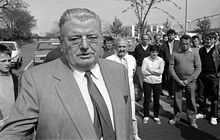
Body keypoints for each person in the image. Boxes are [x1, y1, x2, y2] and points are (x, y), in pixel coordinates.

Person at [0, 8, 132, 140]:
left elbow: (126, 127)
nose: (85, 45)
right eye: (75, 39)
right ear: (62, 43)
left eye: (92, 37)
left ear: (101, 39)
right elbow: (14, 133)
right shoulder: (35, 79)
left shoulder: (119, 71)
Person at [106, 38, 141, 140]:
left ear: (127, 47)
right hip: (115, 92)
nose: (122, 49)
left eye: (124, 47)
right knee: (117, 115)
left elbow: (132, 74)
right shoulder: (109, 60)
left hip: (129, 91)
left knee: (132, 115)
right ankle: (118, 135)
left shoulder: (132, 59)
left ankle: (135, 135)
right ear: (115, 47)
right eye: (119, 46)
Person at [168, 35, 201, 128]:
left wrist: (188, 80)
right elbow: (171, 68)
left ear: (190, 43)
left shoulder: (195, 53)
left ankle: (192, 119)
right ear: (180, 43)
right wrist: (178, 80)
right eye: (183, 43)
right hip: (177, 81)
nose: (185, 45)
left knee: (191, 100)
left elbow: (198, 68)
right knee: (177, 100)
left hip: (190, 82)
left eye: (187, 43)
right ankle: (176, 117)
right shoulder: (174, 53)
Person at [199, 32, 220, 125]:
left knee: (214, 96)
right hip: (202, 75)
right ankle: (202, 112)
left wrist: (218, 73)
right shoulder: (201, 50)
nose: (208, 41)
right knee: (201, 95)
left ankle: (214, 115)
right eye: (206, 39)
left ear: (214, 40)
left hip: (213, 76)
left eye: (210, 39)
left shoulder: (218, 50)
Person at [141, 45, 165, 125]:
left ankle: (156, 116)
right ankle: (146, 116)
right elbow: (143, 71)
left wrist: (150, 71)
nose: (154, 53)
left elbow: (160, 72)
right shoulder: (145, 59)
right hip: (147, 82)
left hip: (157, 82)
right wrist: (155, 71)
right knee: (147, 99)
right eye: (152, 52)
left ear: (158, 52)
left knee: (156, 99)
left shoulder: (161, 60)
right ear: (150, 52)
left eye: (155, 52)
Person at [0, 44, 19, 126]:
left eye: (9, 60)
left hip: (13, 124)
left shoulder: (15, 78)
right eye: (3, 61)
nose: (7, 64)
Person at [160, 29, 180, 98]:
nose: (171, 36)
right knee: (168, 79)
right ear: (167, 36)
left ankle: (175, 93)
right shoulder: (164, 45)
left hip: (176, 64)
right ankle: (171, 93)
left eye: (172, 35)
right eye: (169, 35)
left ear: (175, 35)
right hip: (168, 64)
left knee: (176, 79)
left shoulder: (178, 43)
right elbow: (162, 55)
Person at [133, 34, 152, 101]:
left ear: (149, 40)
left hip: (149, 68)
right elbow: (135, 57)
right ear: (141, 40)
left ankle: (148, 97)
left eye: (147, 39)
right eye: (144, 39)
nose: (145, 41)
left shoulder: (151, 47)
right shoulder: (138, 47)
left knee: (149, 82)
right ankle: (139, 95)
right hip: (140, 67)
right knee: (140, 82)